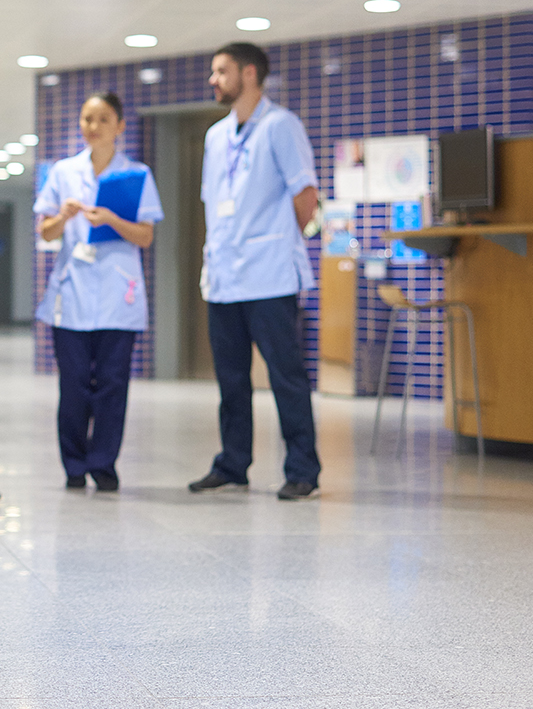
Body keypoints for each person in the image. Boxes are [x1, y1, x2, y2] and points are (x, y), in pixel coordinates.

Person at [187, 42, 323, 501]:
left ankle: (303, 469)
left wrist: (280, 242)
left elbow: (305, 194)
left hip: (268, 276)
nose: (213, 80)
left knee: (285, 375)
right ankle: (232, 463)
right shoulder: (215, 135)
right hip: (225, 276)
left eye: (220, 71)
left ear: (248, 74)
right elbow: (214, 202)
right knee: (230, 378)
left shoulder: (280, 125)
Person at [34, 92, 164, 492]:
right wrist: (64, 216)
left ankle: (103, 462)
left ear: (120, 126)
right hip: (71, 296)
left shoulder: (136, 174)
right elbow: (44, 231)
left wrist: (111, 219)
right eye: (87, 118)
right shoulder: (63, 172)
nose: (93, 126)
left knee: (112, 384)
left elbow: (145, 235)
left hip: (117, 295)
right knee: (72, 384)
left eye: (103, 119)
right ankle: (74, 464)